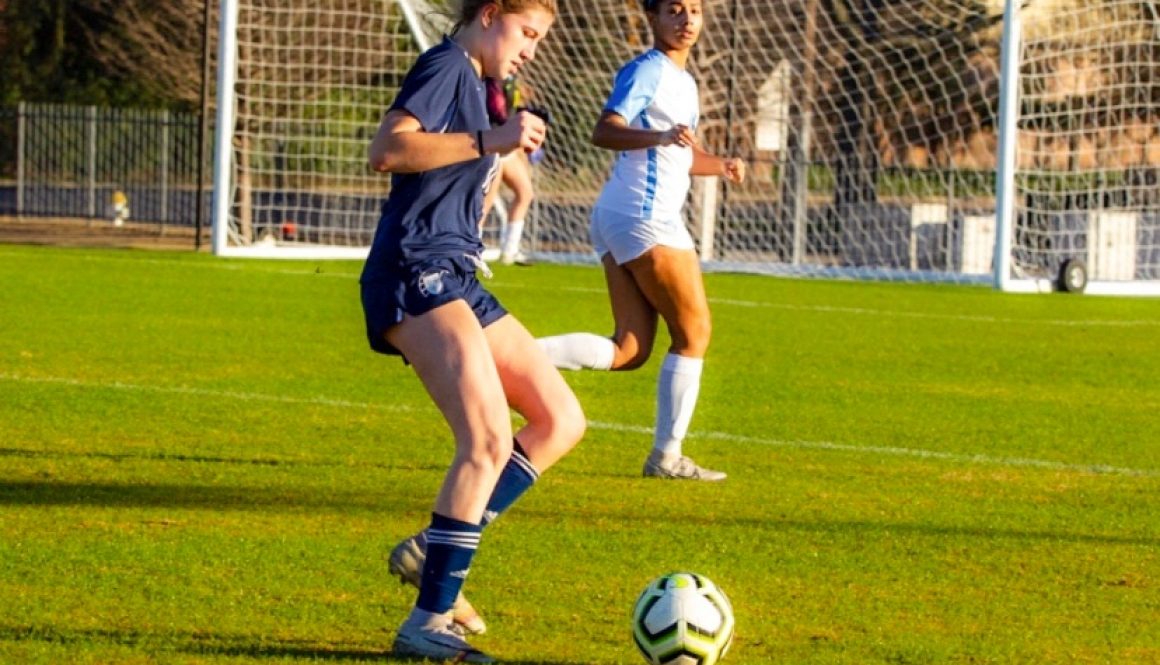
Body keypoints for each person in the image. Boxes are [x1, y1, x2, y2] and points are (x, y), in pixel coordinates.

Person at [360, 1, 584, 661]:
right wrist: (493, 141)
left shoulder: (485, 89)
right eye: (527, 33)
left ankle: (438, 548)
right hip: (415, 269)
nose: (531, 50)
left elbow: (467, 169)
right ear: (490, 15)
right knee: (485, 441)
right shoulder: (446, 64)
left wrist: (501, 162)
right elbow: (388, 148)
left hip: (456, 273)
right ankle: (426, 620)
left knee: (558, 419)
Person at [536, 0, 745, 481]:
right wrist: (656, 139)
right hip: (644, 216)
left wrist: (719, 164)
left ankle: (509, 356)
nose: (687, 19)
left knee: (629, 350)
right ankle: (667, 457)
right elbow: (604, 130)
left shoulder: (684, 82)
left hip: (623, 215)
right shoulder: (646, 70)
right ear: (652, 19)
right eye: (675, 10)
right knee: (694, 333)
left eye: (694, 10)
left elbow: (679, 154)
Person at [482, 74, 537, 265]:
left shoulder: (512, 79)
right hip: (494, 144)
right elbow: (497, 113)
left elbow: (512, 110)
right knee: (486, 202)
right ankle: (470, 248)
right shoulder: (489, 80)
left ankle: (509, 251)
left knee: (525, 193)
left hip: (508, 148)